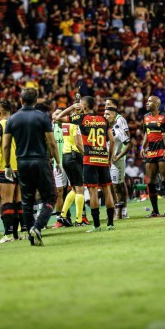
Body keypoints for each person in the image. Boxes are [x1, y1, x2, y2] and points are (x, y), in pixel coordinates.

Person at [3, 88, 61, 245]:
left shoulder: (12, 119)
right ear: (36, 101)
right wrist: (58, 161)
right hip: (40, 161)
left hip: (22, 163)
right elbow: (51, 142)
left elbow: (6, 145)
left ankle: (32, 237)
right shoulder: (42, 117)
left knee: (27, 201)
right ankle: (37, 227)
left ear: (21, 100)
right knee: (50, 196)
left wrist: (7, 165)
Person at [57, 95, 117, 232]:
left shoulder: (80, 119)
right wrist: (109, 158)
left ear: (83, 106)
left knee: (93, 191)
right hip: (102, 158)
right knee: (107, 190)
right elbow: (112, 141)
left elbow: (58, 118)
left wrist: (72, 107)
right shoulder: (103, 119)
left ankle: (96, 225)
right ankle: (110, 223)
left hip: (89, 159)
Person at [0, 100, 22, 243]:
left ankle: (8, 234)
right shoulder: (18, 123)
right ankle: (22, 232)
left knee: (7, 201)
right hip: (21, 166)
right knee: (19, 201)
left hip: (6, 167)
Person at [140, 96, 165, 216]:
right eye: (147, 101)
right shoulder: (145, 117)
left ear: (157, 104)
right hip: (151, 151)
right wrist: (143, 147)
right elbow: (146, 133)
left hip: (162, 150)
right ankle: (155, 211)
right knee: (150, 182)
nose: (147, 103)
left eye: (150, 101)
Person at [55, 102, 87, 227]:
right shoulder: (76, 124)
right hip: (75, 156)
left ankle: (62, 215)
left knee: (74, 188)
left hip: (66, 157)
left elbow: (57, 117)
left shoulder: (65, 123)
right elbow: (79, 144)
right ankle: (79, 220)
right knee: (80, 188)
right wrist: (86, 155)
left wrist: (71, 108)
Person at [104, 103, 133, 220]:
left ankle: (119, 213)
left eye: (108, 114)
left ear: (114, 114)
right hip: (105, 162)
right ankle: (113, 212)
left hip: (116, 162)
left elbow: (129, 144)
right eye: (104, 114)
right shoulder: (103, 128)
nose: (105, 116)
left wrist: (118, 156)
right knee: (109, 187)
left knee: (117, 186)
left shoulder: (117, 129)